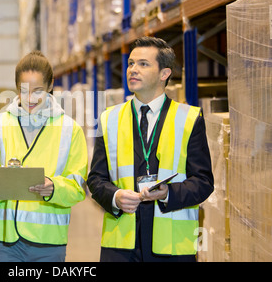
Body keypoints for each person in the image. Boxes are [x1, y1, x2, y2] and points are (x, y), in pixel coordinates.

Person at [87, 36, 214, 262]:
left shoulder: (189, 118)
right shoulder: (109, 119)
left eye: (143, 64)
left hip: (171, 247)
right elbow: (96, 179)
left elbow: (203, 182)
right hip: (121, 247)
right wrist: (115, 197)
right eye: (131, 64)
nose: (133, 70)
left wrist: (168, 193)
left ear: (164, 74)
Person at [0, 50, 88, 262]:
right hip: (4, 240)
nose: (31, 98)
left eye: (38, 91)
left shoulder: (70, 130)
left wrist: (54, 187)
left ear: (50, 85)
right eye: (24, 91)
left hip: (48, 241)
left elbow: (78, 186)